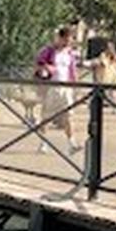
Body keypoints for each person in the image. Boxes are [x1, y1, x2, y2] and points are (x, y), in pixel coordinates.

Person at [34, 25, 80, 155]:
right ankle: (43, 143)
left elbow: (72, 71)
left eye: (70, 40)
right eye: (66, 40)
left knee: (69, 116)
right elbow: (38, 65)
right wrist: (47, 68)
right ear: (60, 38)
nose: (68, 43)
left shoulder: (70, 53)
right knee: (46, 116)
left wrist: (75, 85)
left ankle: (72, 143)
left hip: (66, 87)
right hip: (51, 87)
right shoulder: (48, 51)